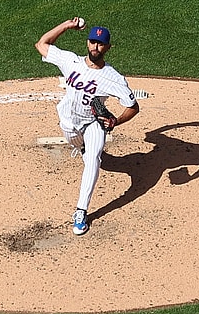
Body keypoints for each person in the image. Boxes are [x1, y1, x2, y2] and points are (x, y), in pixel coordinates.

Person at [35, 17, 140, 235]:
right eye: (93, 42)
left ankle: (81, 211)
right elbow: (41, 44)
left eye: (101, 44)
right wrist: (66, 25)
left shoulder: (114, 78)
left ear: (108, 48)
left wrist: (116, 121)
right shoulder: (70, 61)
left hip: (93, 123)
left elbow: (133, 106)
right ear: (87, 42)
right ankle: (81, 146)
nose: (95, 47)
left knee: (93, 160)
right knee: (77, 142)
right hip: (68, 121)